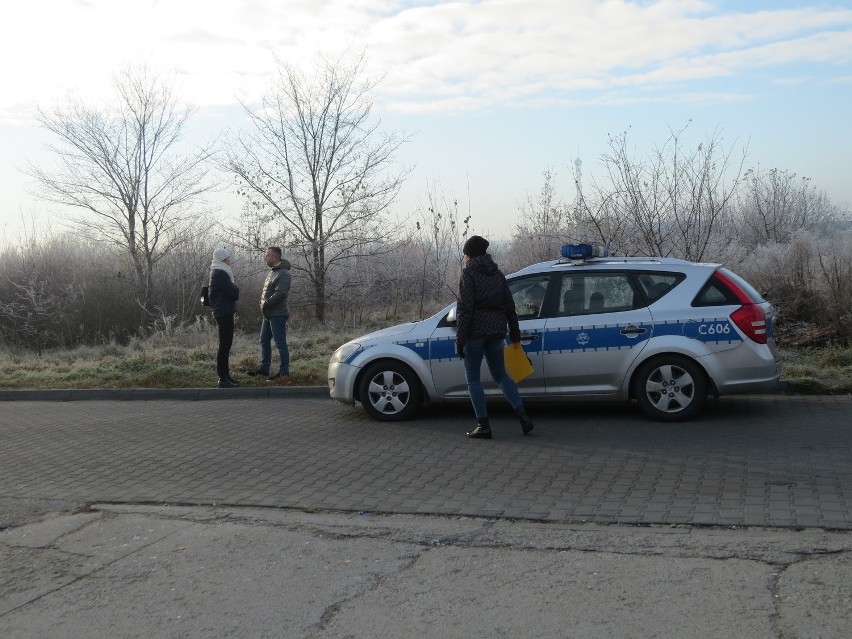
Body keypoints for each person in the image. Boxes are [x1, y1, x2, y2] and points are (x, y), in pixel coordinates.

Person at [455, 235, 534, 439]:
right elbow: (510, 305)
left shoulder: (469, 274)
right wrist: (515, 335)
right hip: (497, 331)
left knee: (473, 379)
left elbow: (464, 309)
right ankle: (524, 417)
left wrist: (460, 339)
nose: (464, 257)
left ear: (470, 254)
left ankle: (483, 426)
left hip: (474, 333)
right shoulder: (497, 274)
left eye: (465, 253)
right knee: (500, 375)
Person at [247, 246, 291, 382]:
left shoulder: (283, 273)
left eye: (267, 256)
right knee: (264, 340)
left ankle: (284, 372)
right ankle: (264, 369)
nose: (265, 258)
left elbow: (281, 293)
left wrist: (266, 303)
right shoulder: (273, 272)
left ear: (274, 257)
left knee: (280, 343)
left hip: (277, 314)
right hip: (269, 314)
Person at [208, 247, 240, 388]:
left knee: (226, 345)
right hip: (224, 312)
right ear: (222, 259)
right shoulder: (221, 273)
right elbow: (234, 294)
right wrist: (235, 288)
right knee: (224, 345)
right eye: (228, 258)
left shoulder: (219, 271)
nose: (230, 260)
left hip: (223, 311)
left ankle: (226, 375)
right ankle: (222, 377)